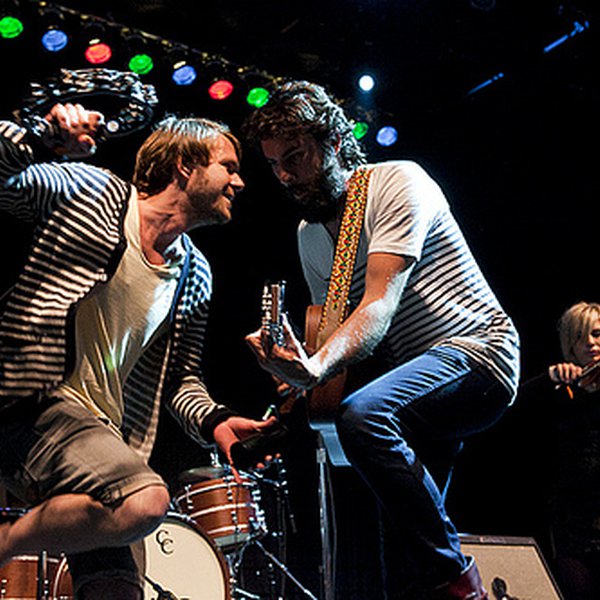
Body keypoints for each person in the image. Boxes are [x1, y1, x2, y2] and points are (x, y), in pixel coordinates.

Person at [244, 80, 520, 599]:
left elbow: (377, 305)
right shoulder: (309, 235)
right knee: (399, 561)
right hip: (411, 384)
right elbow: (337, 338)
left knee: (364, 417)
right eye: (275, 164)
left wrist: (315, 366)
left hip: (476, 354)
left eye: (295, 157)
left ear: (333, 141)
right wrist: (294, 377)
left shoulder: (396, 182)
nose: (284, 176)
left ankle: (464, 586)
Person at [0, 101, 277, 598]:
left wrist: (215, 422)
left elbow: (179, 380)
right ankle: (6, 541)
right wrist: (42, 135)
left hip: (98, 439)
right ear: (185, 166)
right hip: (30, 405)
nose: (239, 182)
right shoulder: (96, 195)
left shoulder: (194, 273)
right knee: (146, 501)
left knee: (119, 589)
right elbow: (6, 180)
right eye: (228, 167)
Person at [522, 301, 600, 599]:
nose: (590, 343)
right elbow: (510, 409)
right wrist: (550, 378)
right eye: (580, 337)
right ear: (570, 346)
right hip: (573, 522)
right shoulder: (562, 391)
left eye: (597, 334)